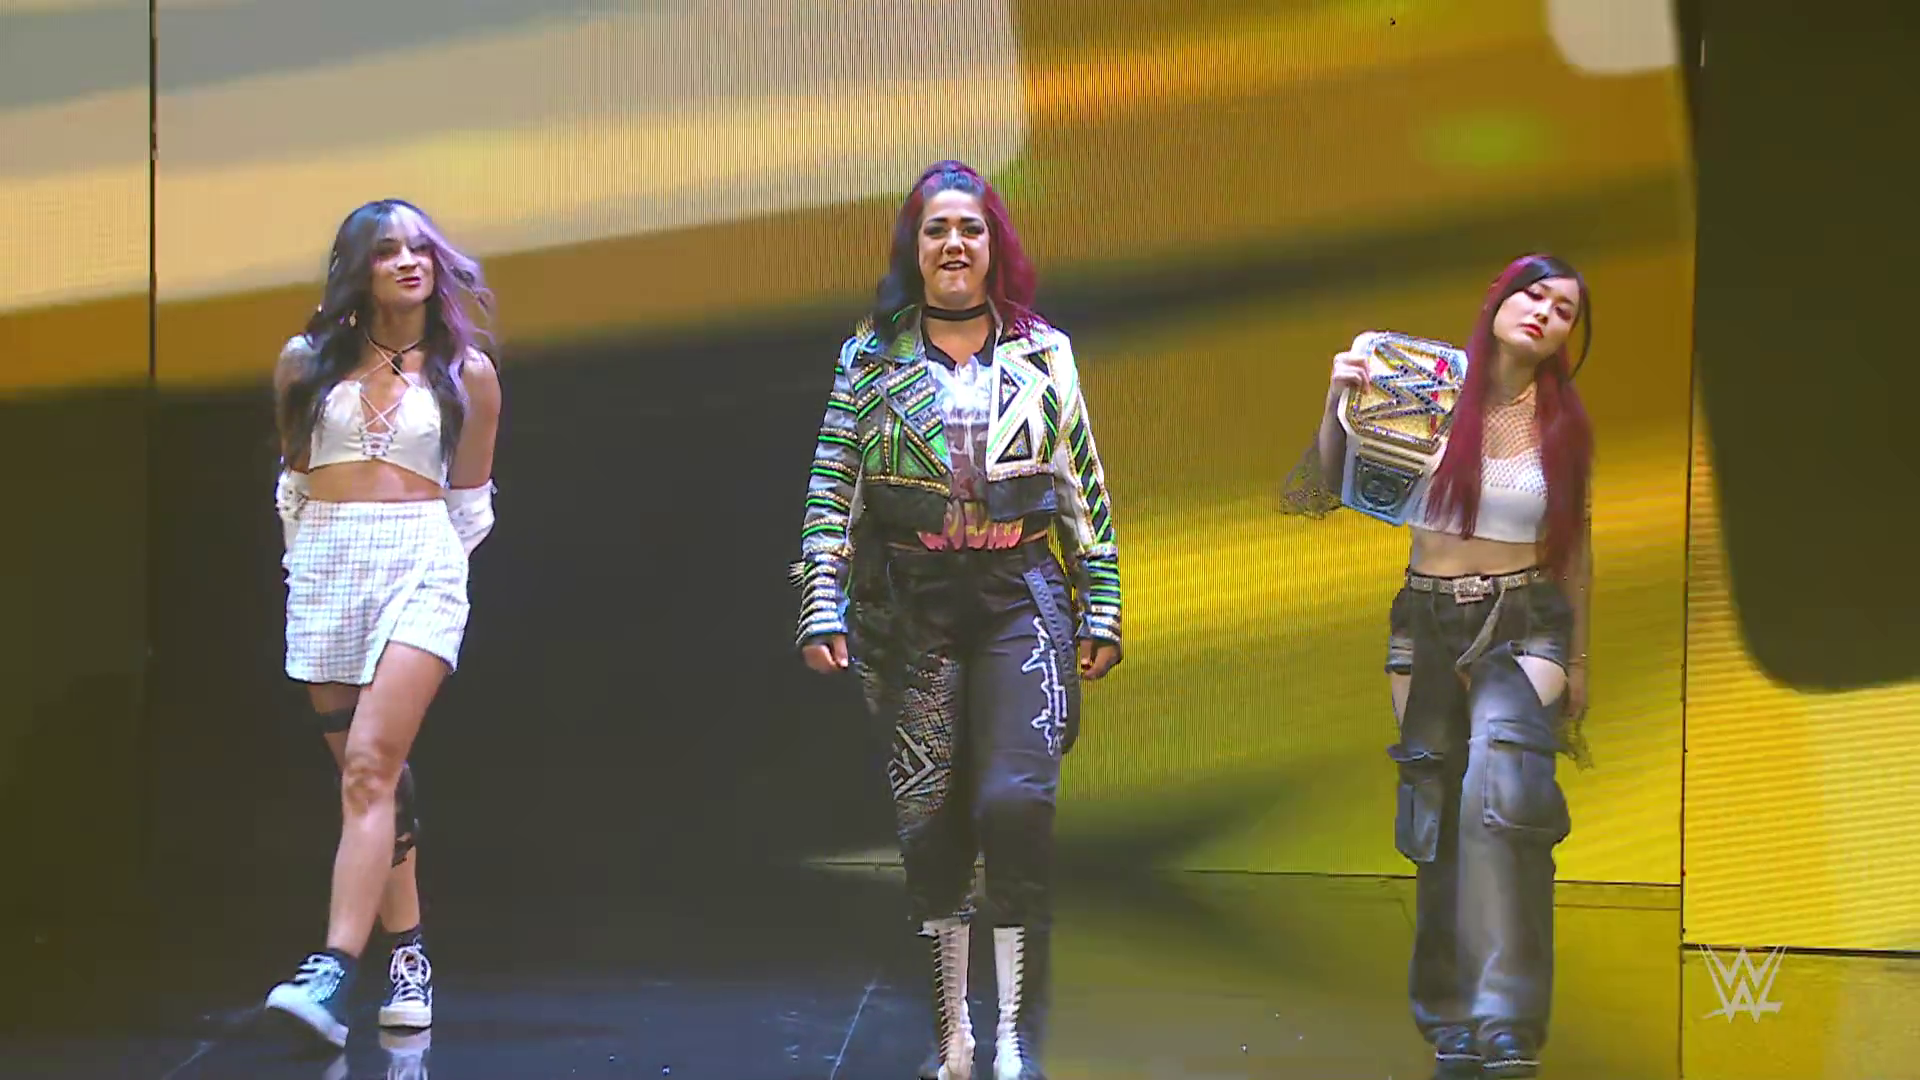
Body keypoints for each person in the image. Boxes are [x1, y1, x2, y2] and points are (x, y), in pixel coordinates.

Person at [791, 160, 1123, 1080]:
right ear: (915, 245)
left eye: (969, 228)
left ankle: (1011, 1032)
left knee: (1017, 803)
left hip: (1020, 595)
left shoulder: (1044, 353)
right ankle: (955, 1038)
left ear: (992, 244)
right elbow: (833, 487)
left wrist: (1101, 599)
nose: (953, 244)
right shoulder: (870, 357)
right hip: (914, 607)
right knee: (931, 820)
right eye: (936, 228)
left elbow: (1082, 481)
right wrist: (820, 600)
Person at [1282, 254, 1594, 1079]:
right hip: (1425, 621)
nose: (1543, 311)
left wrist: (1581, 659)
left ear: (1568, 336)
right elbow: (1333, 484)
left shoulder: (1561, 426)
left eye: (1563, 309)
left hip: (1525, 621)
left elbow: (1577, 547)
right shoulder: (1426, 388)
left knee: (1503, 804)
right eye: (1533, 293)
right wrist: (1338, 400)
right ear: (1499, 298)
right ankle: (1453, 1023)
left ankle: (1508, 1026)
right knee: (1438, 827)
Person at [263, 199, 501, 1049]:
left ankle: (330, 970)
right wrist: (309, 571)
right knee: (374, 783)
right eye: (387, 250)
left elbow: (470, 503)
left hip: (421, 565)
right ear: (357, 268)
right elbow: (295, 484)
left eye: (420, 248)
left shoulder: (467, 372)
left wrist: (436, 579)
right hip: (327, 567)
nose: (409, 262)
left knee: (369, 767)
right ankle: (409, 955)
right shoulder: (305, 362)